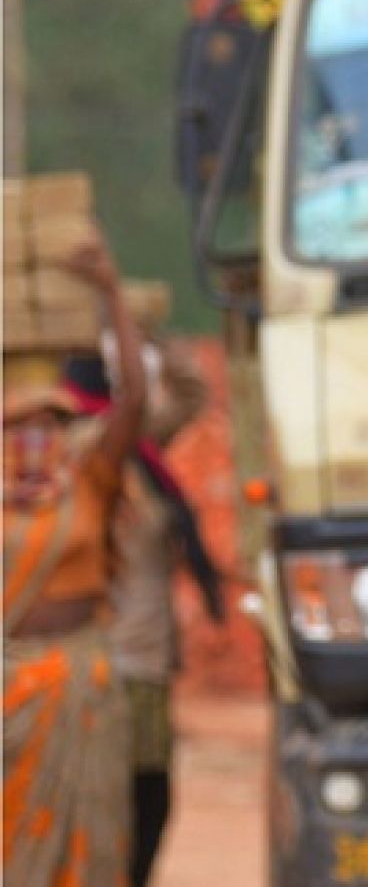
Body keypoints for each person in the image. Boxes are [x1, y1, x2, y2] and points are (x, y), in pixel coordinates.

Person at [4, 237, 147, 887]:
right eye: (17, 425)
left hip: (82, 685)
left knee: (87, 847)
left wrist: (110, 292)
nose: (35, 439)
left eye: (50, 423)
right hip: (8, 694)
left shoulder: (88, 479)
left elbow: (135, 403)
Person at [65, 335, 223, 887]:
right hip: (101, 663)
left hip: (144, 658)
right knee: (112, 799)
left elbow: (187, 392)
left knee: (147, 798)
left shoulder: (134, 449)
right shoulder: (73, 457)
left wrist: (145, 330)